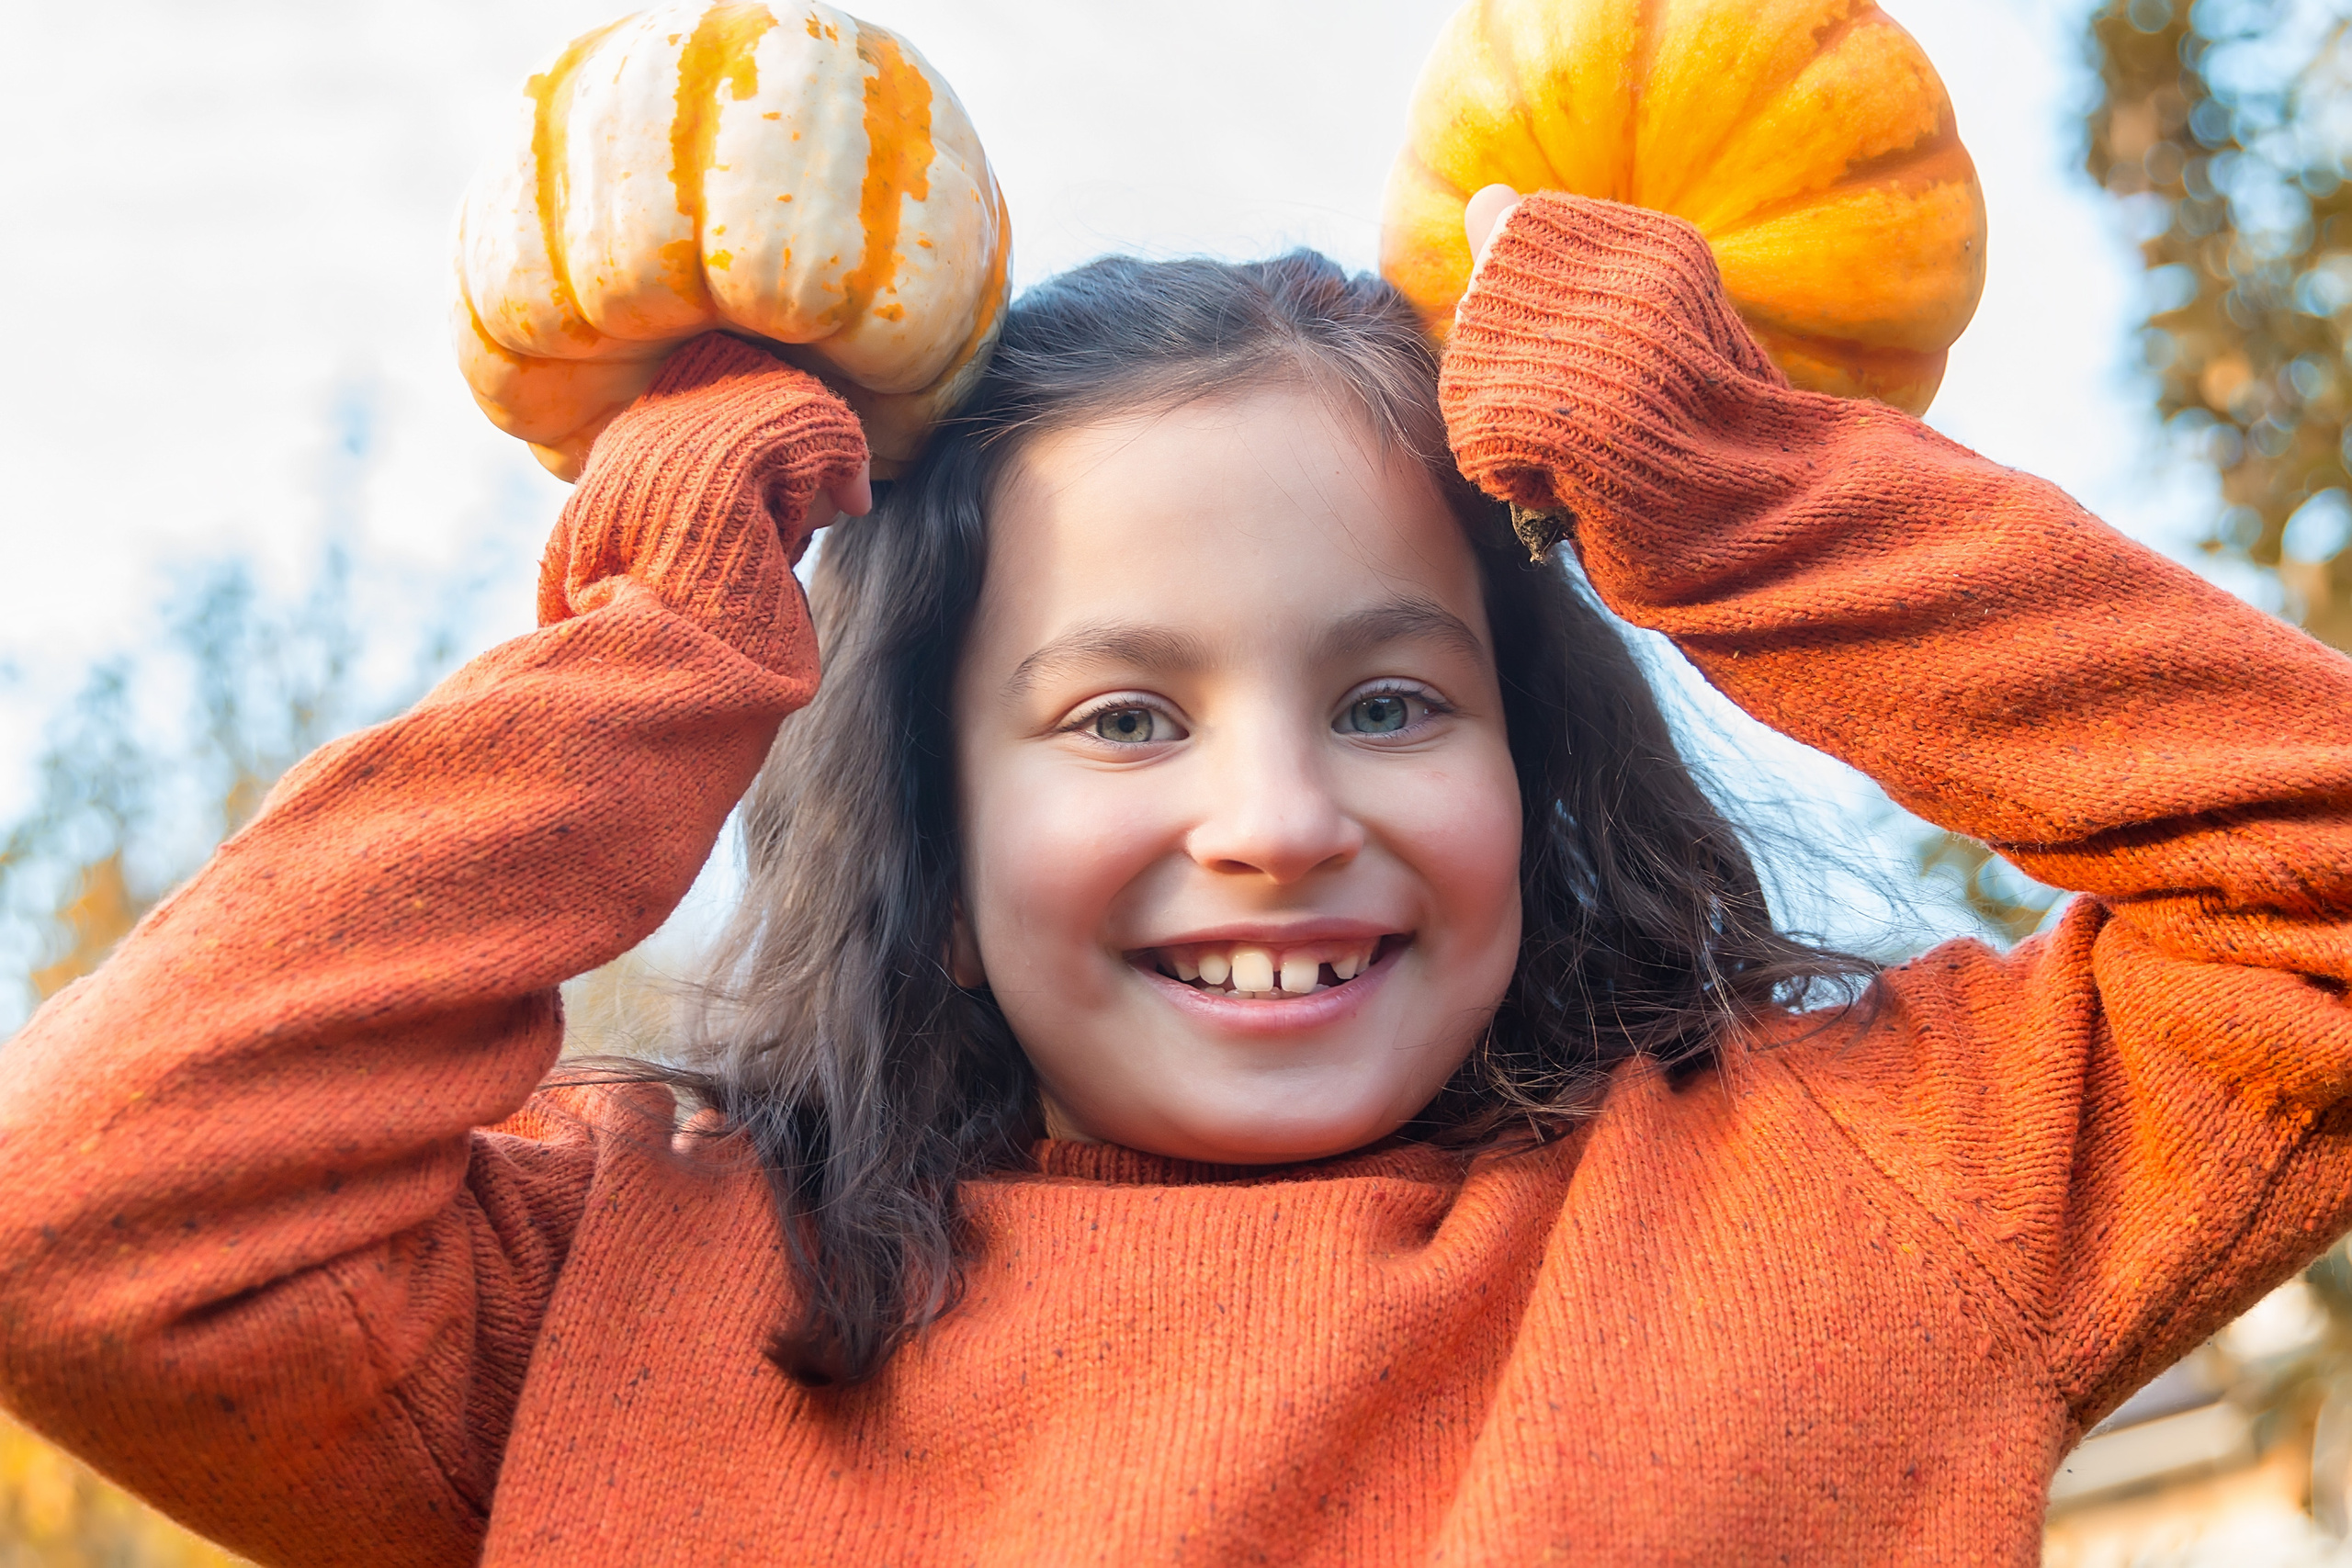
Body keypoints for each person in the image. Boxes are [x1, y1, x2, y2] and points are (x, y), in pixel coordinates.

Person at [2, 186, 2347, 1566]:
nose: (1273, 814)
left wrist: (1724, 486)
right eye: (1122, 714)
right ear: (928, 815)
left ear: (1533, 762)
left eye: (1392, 699)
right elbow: (83, 1222)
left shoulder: (1849, 1186)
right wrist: (654, 647)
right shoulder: (617, 1284)